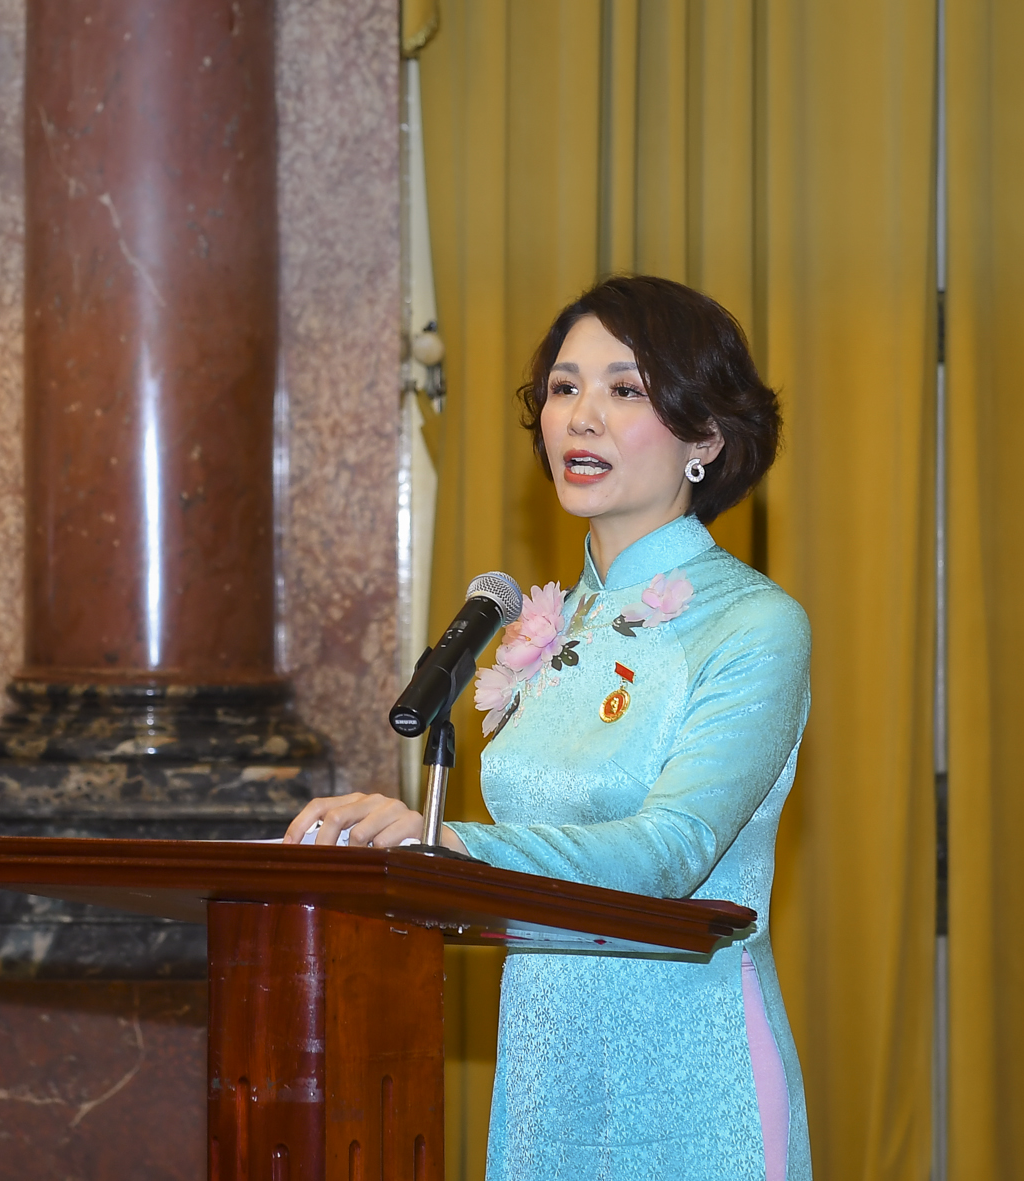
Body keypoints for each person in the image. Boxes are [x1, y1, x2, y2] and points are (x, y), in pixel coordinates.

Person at [285, 275, 811, 1180]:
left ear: (706, 437)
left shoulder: (753, 624)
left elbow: (670, 851)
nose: (581, 417)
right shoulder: (543, 626)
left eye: (626, 389)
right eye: (565, 388)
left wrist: (447, 843)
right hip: (543, 1072)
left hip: (694, 1076)